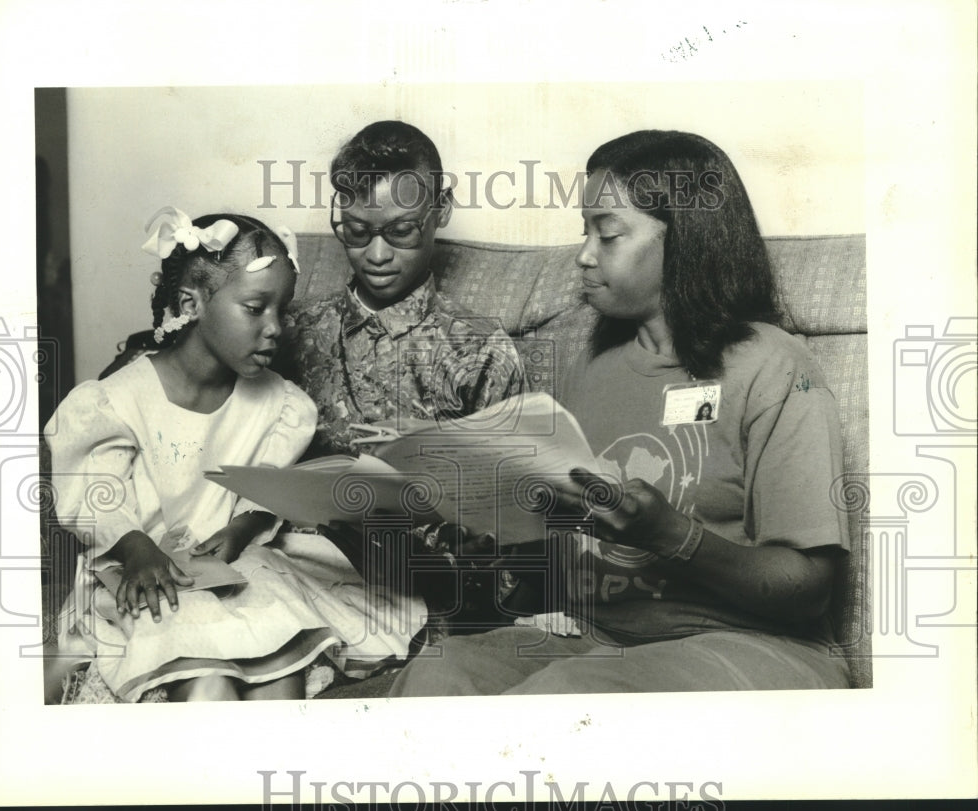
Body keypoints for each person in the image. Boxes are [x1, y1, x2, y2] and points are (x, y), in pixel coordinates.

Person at [389, 130, 852, 695]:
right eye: (585, 231)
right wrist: (494, 543)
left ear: (684, 240)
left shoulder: (774, 367)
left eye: (607, 233)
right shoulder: (587, 361)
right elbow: (552, 567)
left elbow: (809, 588)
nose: (584, 255)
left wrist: (670, 534)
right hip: (595, 638)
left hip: (750, 644)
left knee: (561, 697)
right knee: (436, 678)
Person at [49, 208, 342, 702]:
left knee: (280, 668)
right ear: (193, 302)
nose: (275, 328)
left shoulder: (281, 405)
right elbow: (94, 495)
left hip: (235, 565)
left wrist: (243, 527)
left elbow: (267, 481)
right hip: (142, 571)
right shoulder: (115, 401)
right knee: (209, 684)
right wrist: (136, 545)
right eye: (255, 308)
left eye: (282, 310)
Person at [280, 120, 526, 458]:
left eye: (401, 230)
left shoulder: (483, 351)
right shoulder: (286, 329)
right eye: (356, 231)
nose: (377, 256)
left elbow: (511, 486)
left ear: (441, 210)